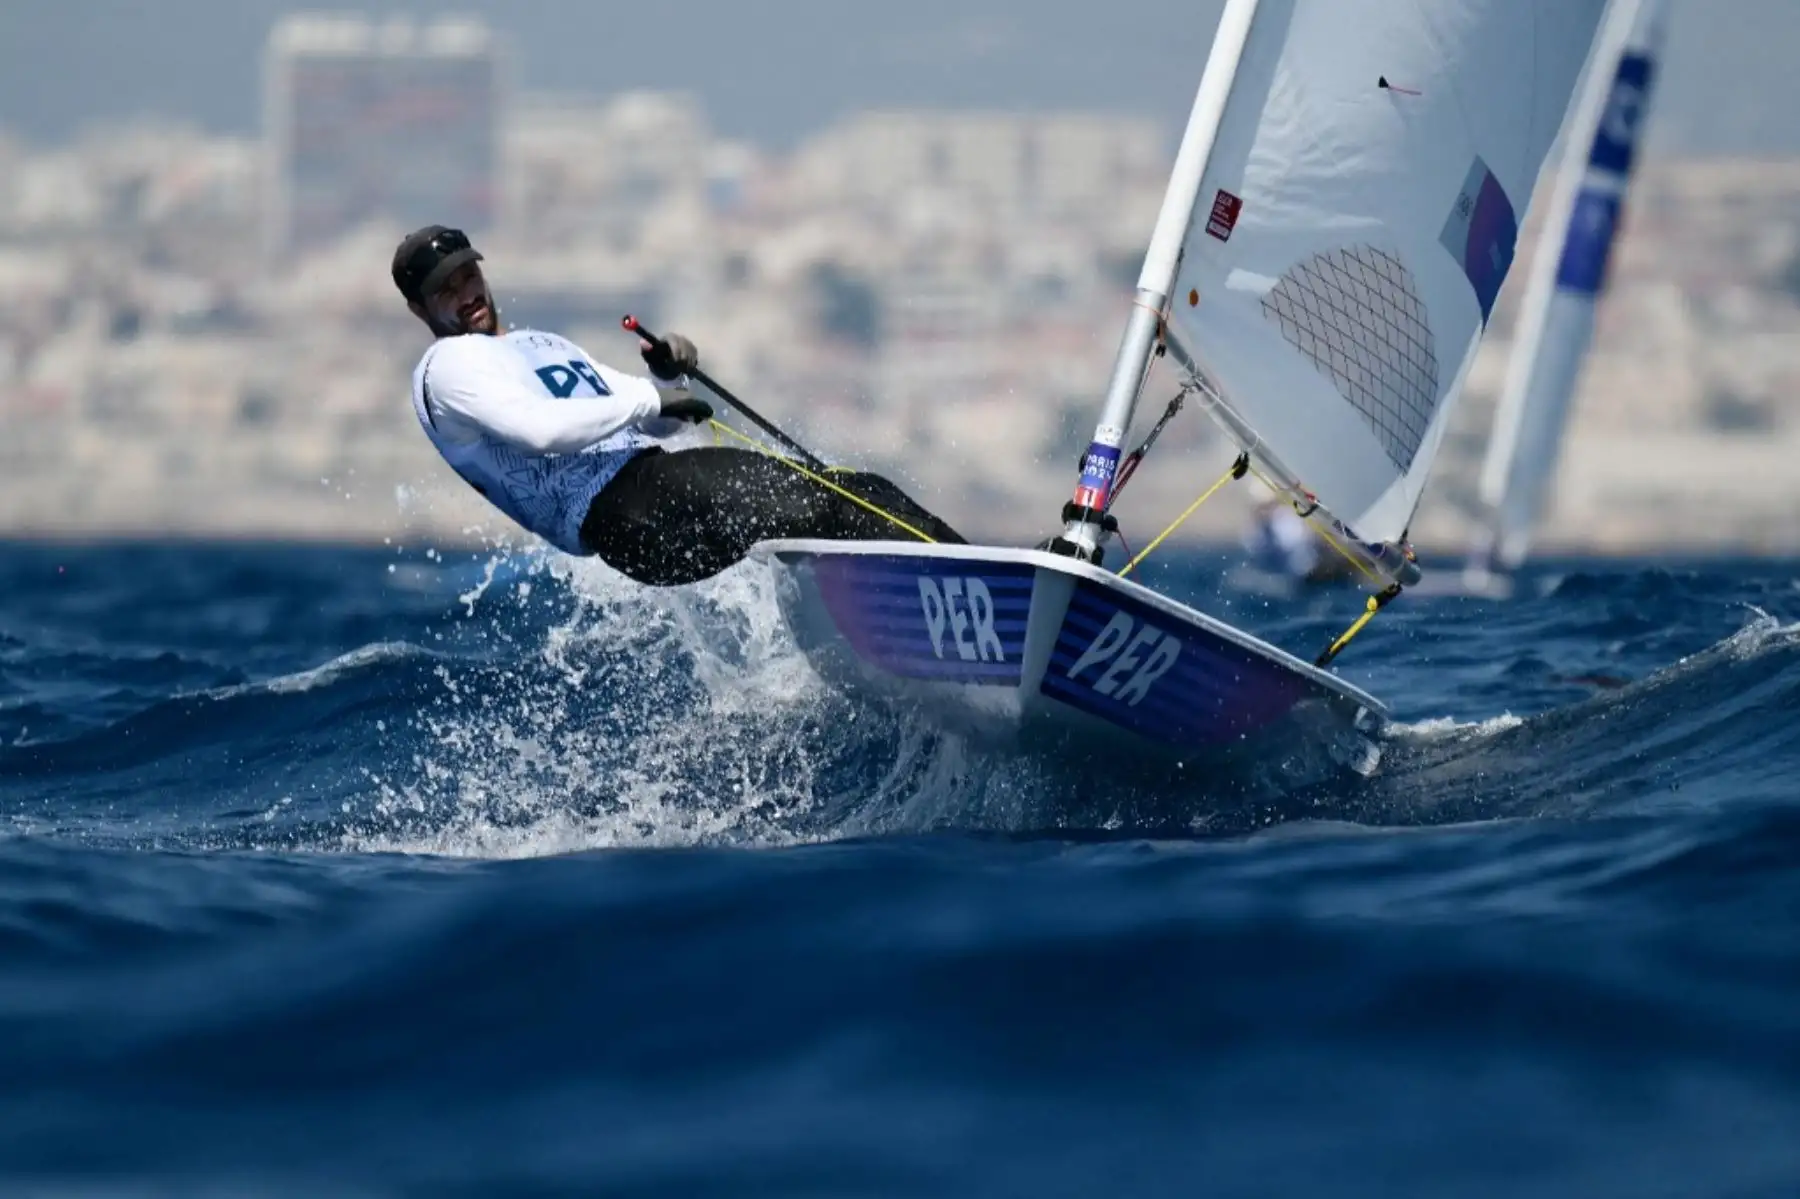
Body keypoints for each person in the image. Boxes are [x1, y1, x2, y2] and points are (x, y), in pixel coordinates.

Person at [393, 225, 964, 585]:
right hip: (624, 506)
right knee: (825, 504)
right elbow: (542, 431)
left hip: (651, 511)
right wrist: (649, 396)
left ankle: (958, 577)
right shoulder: (449, 367)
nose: (467, 294)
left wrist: (664, 373)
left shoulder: (540, 345)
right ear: (421, 309)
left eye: (470, 275)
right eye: (447, 290)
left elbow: (649, 417)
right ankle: (968, 584)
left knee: (858, 491)